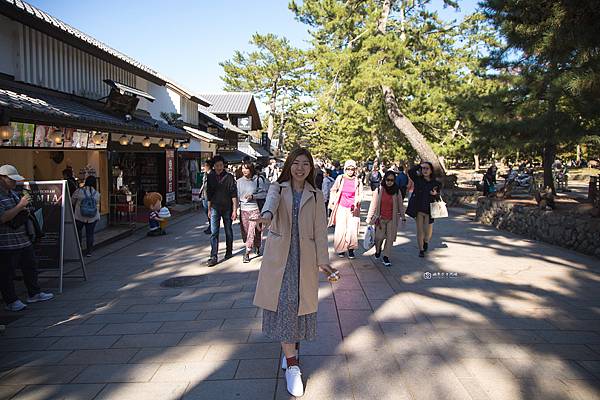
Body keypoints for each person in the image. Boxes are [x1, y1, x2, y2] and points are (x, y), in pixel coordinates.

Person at [251, 148, 336, 398]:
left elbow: (320, 231)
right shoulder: (279, 187)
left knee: (299, 306)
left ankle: (290, 353)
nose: (300, 168)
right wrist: (265, 217)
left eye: (305, 164)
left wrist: (325, 262)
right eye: (296, 163)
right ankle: (293, 365)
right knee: (286, 304)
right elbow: (270, 205)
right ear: (289, 166)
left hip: (306, 258)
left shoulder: (317, 194)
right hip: (281, 257)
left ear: (311, 169)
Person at [0, 165, 54, 312]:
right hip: (6, 242)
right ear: (2, 178)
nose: (14, 183)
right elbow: (3, 218)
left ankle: (34, 293)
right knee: (7, 273)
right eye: (11, 180)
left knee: (30, 267)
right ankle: (11, 301)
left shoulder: (13, 193)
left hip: (23, 239)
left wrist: (25, 209)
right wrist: (20, 206)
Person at [366, 171, 405, 267]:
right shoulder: (379, 189)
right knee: (378, 237)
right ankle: (378, 250)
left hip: (392, 218)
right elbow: (373, 204)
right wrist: (369, 217)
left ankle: (386, 256)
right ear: (384, 179)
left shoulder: (397, 191)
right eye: (388, 180)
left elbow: (400, 205)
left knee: (390, 238)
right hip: (380, 218)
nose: (389, 182)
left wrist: (403, 217)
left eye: (392, 180)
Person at [206, 155, 238, 267]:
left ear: (223, 165)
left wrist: (235, 210)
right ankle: (213, 255)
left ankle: (229, 251)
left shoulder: (229, 177)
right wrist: (209, 209)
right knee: (214, 232)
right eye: (216, 165)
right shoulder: (210, 176)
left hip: (227, 208)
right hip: (215, 207)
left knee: (228, 230)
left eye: (220, 165)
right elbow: (208, 193)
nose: (219, 167)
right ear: (213, 166)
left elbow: (234, 194)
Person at [328, 160, 363, 259]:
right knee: (340, 229)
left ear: (355, 169)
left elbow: (360, 194)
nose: (350, 171)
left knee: (352, 230)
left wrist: (358, 200)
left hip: (353, 209)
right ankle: (341, 249)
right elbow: (333, 190)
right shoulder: (340, 178)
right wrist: (333, 200)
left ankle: (351, 249)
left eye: (352, 169)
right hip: (341, 207)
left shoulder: (358, 181)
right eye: (348, 169)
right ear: (345, 169)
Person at [406, 162, 441, 258]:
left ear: (431, 170)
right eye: (423, 168)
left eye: (427, 168)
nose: (425, 170)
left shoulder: (436, 183)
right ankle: (421, 249)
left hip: (430, 210)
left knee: (428, 233)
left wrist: (435, 194)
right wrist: (419, 165)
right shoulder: (418, 180)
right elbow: (410, 172)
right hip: (418, 209)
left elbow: (438, 195)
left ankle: (425, 242)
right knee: (420, 231)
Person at [236, 162, 264, 263]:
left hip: (255, 209)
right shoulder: (239, 182)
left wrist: (253, 196)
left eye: (246, 169)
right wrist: (235, 209)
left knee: (252, 231)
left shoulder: (258, 180)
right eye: (243, 169)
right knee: (246, 232)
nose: (244, 171)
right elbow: (237, 196)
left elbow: (264, 193)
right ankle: (257, 245)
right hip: (243, 210)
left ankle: (247, 252)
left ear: (251, 169)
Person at [72, 176, 100, 257]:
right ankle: (89, 252)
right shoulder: (97, 194)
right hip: (92, 217)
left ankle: (79, 247)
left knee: (78, 231)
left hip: (79, 216)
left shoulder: (79, 191)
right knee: (90, 234)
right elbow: (97, 204)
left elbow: (72, 201)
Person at [200, 159, 213, 234]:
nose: (203, 167)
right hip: (204, 196)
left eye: (204, 166)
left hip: (209, 197)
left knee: (209, 212)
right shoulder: (205, 174)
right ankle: (210, 226)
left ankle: (211, 227)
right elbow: (203, 184)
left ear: (208, 166)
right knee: (207, 212)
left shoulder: (212, 174)